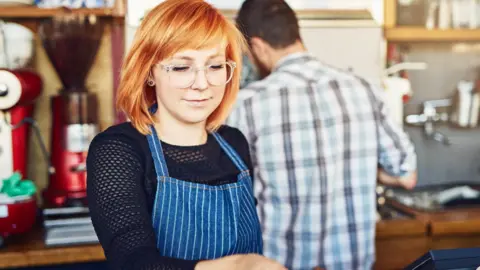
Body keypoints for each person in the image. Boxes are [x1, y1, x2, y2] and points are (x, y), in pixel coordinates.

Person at [86, 1, 287, 269]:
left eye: (215, 66)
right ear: (149, 72)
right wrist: (233, 266)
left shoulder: (234, 143)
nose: (203, 84)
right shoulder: (118, 150)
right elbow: (132, 260)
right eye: (181, 67)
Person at [227, 0, 418, 269]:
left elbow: (232, 197)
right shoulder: (363, 89)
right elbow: (406, 174)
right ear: (296, 34)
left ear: (256, 46)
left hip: (279, 264)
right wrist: (357, 167)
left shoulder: (247, 105)